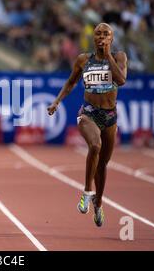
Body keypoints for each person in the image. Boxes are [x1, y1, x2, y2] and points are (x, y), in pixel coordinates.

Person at [47, 23, 127, 227]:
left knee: (103, 165)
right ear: (93, 38)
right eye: (98, 33)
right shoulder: (84, 59)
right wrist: (57, 101)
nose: (102, 36)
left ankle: (98, 203)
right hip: (88, 113)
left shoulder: (119, 57)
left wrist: (108, 55)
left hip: (110, 116)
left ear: (112, 38)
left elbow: (121, 80)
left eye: (106, 34)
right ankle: (86, 191)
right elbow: (71, 82)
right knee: (95, 145)